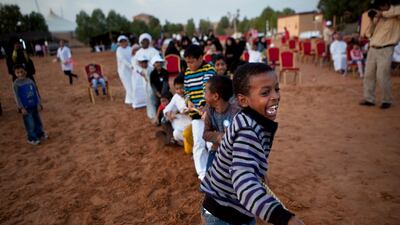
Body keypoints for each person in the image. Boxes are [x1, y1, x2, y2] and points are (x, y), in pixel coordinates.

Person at [200, 63, 305, 225]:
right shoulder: (248, 130)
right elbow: (243, 179)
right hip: (223, 214)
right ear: (243, 100)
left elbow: (249, 163)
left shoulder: (249, 119)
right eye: (265, 92)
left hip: (236, 209)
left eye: (276, 89)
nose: (275, 96)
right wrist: (284, 218)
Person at [184, 44, 216, 180]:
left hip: (210, 112)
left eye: (191, 61)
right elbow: (187, 91)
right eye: (187, 62)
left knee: (212, 142)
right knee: (198, 143)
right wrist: (188, 101)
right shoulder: (187, 72)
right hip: (196, 115)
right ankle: (202, 174)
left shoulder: (209, 69)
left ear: (200, 58)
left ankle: (216, 171)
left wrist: (204, 107)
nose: (189, 65)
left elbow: (207, 89)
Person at [360, 1, 400, 109]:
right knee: (368, 75)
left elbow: (397, 11)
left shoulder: (396, 14)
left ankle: (387, 100)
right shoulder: (378, 18)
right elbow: (368, 34)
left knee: (382, 76)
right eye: (379, 8)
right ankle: (369, 99)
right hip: (372, 49)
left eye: (382, 7)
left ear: (388, 4)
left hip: (386, 49)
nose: (381, 9)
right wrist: (373, 20)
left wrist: (382, 14)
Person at [203, 75, 240, 169]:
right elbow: (205, 134)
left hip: (237, 153)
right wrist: (219, 136)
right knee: (209, 179)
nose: (204, 94)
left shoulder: (237, 112)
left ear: (215, 96)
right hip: (217, 149)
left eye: (205, 91)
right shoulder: (209, 109)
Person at [12, 64, 48, 145]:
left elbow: (35, 92)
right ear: (15, 73)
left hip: (34, 105)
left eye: (22, 71)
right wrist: (21, 108)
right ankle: (31, 138)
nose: (20, 74)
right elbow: (16, 97)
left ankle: (40, 133)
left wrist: (38, 103)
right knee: (30, 123)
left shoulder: (30, 81)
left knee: (37, 120)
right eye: (18, 72)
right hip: (26, 108)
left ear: (25, 71)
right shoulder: (16, 84)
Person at [163, 75, 192, 145]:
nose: (179, 91)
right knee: (176, 133)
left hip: (192, 123)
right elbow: (166, 109)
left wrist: (179, 112)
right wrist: (168, 114)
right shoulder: (176, 97)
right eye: (177, 89)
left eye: (182, 88)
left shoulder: (192, 95)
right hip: (182, 124)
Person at [137, 54, 157, 120]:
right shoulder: (143, 69)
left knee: (152, 101)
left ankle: (154, 116)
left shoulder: (150, 69)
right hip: (146, 87)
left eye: (143, 62)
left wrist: (144, 76)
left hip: (151, 87)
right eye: (141, 63)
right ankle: (151, 115)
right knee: (148, 101)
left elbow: (150, 80)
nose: (142, 64)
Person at [116, 35, 134, 105]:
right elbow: (123, 60)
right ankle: (133, 101)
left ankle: (128, 100)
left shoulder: (130, 48)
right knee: (128, 85)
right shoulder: (119, 50)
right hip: (123, 71)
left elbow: (133, 57)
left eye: (124, 41)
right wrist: (131, 66)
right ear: (119, 43)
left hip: (132, 70)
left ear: (127, 41)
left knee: (132, 85)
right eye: (121, 42)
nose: (123, 43)